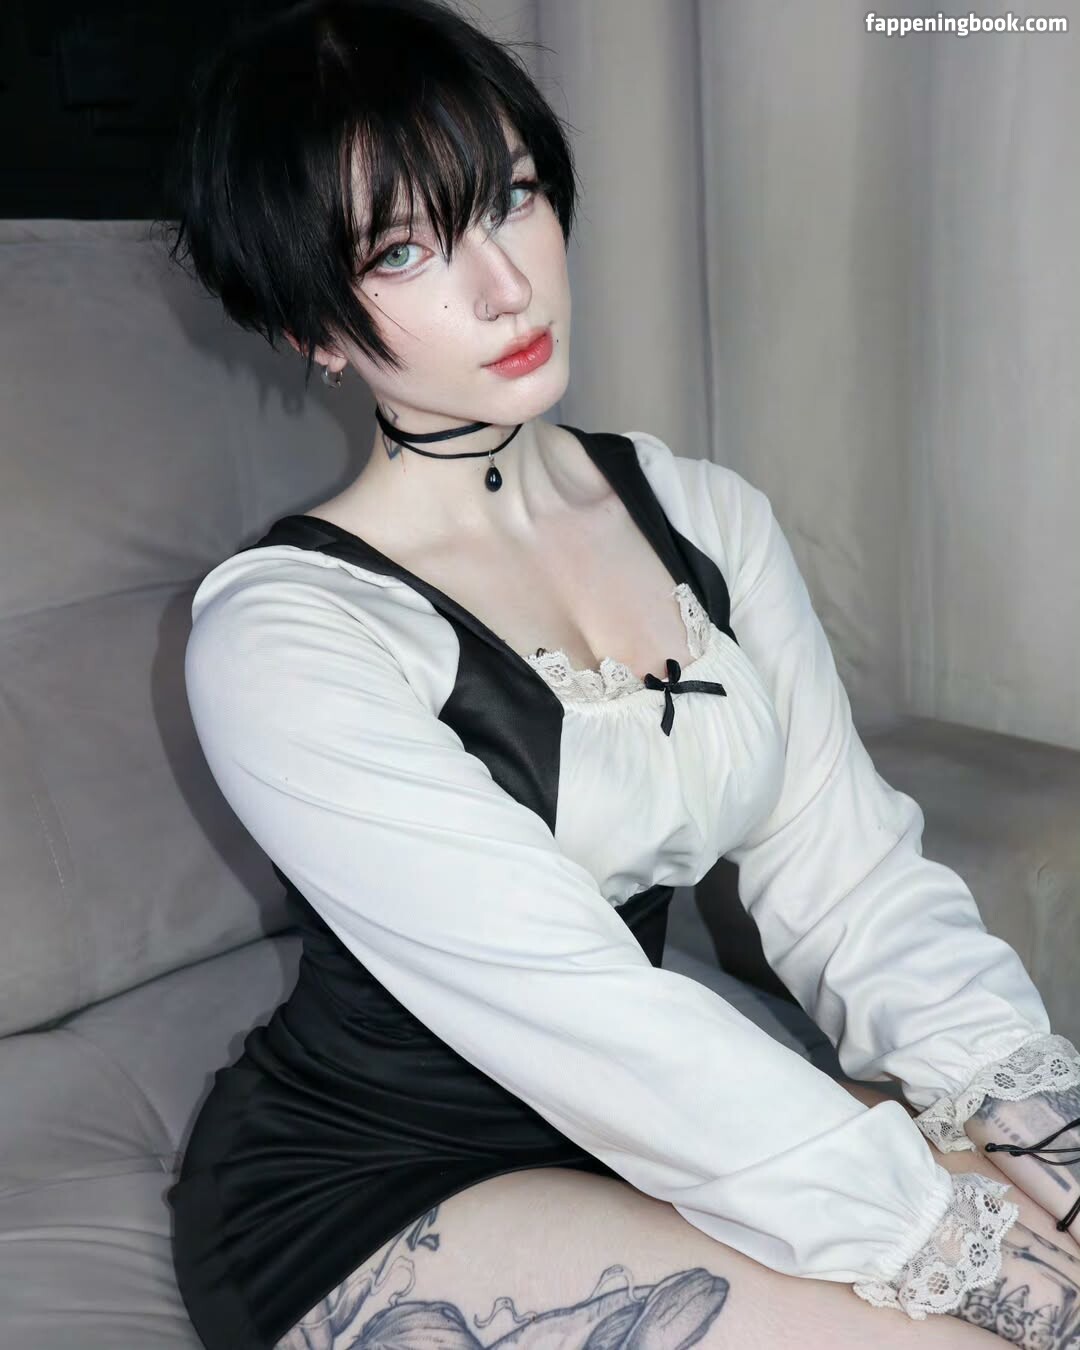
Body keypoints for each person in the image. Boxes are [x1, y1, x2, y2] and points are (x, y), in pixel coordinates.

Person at [159, 2, 1080, 1347]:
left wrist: (1040, 1124)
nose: (505, 287)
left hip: (665, 1118)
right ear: (313, 329)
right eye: (404, 251)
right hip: (379, 1183)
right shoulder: (287, 637)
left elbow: (850, 881)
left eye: (512, 198)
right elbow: (584, 1019)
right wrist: (943, 1237)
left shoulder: (705, 516)